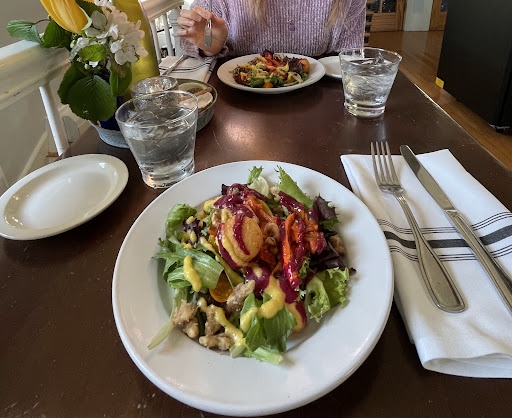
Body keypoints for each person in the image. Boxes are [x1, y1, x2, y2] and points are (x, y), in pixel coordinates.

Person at [177, 0, 367, 58]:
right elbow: (192, 39)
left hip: (318, 108)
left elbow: (350, 59)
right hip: (236, 106)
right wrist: (210, 45)